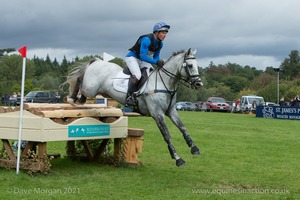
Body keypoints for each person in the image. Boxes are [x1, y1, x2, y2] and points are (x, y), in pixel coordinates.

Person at [124, 22, 170, 106]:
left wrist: (158, 64)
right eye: (163, 33)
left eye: (166, 33)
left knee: (152, 73)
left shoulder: (160, 44)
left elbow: (156, 56)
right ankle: (128, 97)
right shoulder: (147, 40)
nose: (165, 35)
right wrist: (156, 62)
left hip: (143, 60)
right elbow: (143, 56)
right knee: (137, 75)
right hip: (132, 58)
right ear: (156, 32)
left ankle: (142, 94)